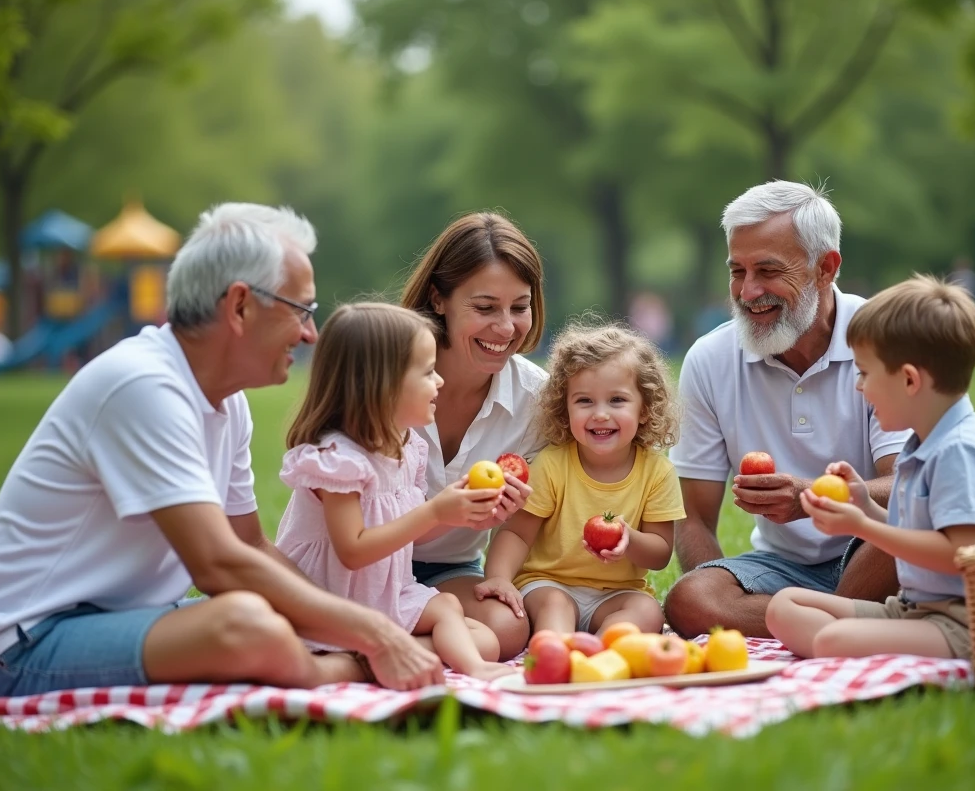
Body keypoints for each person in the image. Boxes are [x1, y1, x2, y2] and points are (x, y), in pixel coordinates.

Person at [0, 203, 444, 696]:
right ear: (239, 306)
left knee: (276, 611)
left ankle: (329, 658)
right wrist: (370, 637)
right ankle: (339, 673)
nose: (310, 334)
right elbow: (219, 565)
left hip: (129, 619)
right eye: (301, 310)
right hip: (24, 645)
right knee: (245, 623)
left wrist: (349, 622)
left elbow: (251, 545)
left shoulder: (229, 405)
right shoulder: (143, 386)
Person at [663, 181, 911, 639]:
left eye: (768, 271)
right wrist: (712, 579)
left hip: (875, 549)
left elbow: (911, 485)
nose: (748, 291)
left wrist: (813, 497)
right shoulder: (709, 358)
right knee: (689, 599)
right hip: (779, 569)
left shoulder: (885, 338)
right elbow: (692, 516)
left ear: (826, 268)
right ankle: (847, 624)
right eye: (737, 270)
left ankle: (813, 624)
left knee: (912, 523)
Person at [766, 275, 975, 660]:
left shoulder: (961, 449)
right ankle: (872, 647)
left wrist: (861, 527)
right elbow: (917, 534)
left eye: (864, 372)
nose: (859, 386)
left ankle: (864, 653)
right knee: (784, 607)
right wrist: (865, 505)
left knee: (832, 641)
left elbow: (961, 553)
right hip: (919, 610)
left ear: (910, 380)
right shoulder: (922, 445)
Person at [275, 303, 513, 680]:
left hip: (386, 595)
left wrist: (456, 510)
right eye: (428, 372)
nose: (440, 382)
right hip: (334, 599)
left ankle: (468, 667)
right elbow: (353, 550)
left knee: (481, 636)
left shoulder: (407, 448)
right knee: (459, 626)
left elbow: (410, 531)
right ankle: (361, 659)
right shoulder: (339, 461)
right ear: (381, 384)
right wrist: (434, 512)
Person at [401, 212, 548, 660]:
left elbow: (526, 527)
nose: (505, 329)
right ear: (439, 299)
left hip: (449, 571)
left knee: (507, 628)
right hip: (365, 564)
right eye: (485, 308)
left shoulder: (535, 398)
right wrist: (449, 513)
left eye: (519, 307)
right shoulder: (388, 378)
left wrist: (512, 514)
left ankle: (369, 650)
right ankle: (397, 643)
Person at [475, 323, 685, 637]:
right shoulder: (553, 464)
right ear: (565, 408)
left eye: (617, 400)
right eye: (585, 401)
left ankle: (604, 650)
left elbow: (660, 553)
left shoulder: (657, 472)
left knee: (647, 610)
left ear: (644, 409)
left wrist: (629, 540)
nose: (600, 414)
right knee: (555, 605)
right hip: (548, 583)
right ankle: (556, 647)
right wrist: (499, 578)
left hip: (617, 593)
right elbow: (516, 534)